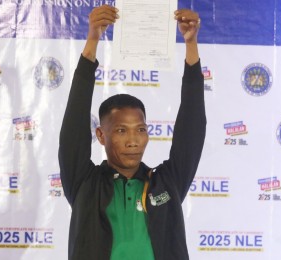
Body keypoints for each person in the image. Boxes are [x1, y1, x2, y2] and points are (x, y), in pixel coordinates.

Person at [59, 5, 206, 260]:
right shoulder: (85, 183)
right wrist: (93, 38)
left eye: (140, 129)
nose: (133, 140)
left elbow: (192, 129)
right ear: (101, 136)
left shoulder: (166, 183)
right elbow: (73, 125)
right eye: (120, 130)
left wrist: (191, 45)